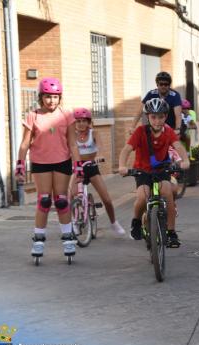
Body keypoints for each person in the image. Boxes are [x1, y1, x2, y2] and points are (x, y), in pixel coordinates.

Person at [15, 77, 82, 259]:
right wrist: (20, 166)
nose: (51, 100)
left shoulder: (67, 115)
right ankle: (38, 239)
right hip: (40, 163)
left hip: (62, 161)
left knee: (61, 200)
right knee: (44, 201)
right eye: (48, 97)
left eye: (55, 96)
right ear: (41, 97)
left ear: (60, 97)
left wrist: (78, 166)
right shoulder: (33, 116)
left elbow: (73, 144)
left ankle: (68, 238)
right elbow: (24, 144)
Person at [119, 98, 190, 247]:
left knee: (167, 194)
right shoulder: (140, 132)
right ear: (148, 117)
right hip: (142, 171)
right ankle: (136, 222)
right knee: (142, 197)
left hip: (162, 170)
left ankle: (171, 233)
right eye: (153, 117)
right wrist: (122, 166)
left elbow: (178, 146)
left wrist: (185, 160)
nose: (157, 121)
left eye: (161, 117)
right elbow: (126, 150)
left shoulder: (168, 131)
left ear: (165, 116)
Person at [70, 107, 126, 236]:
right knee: (70, 196)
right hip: (77, 168)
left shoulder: (93, 133)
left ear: (89, 122)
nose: (81, 124)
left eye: (84, 121)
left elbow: (100, 147)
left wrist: (99, 156)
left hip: (91, 168)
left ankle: (114, 223)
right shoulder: (72, 135)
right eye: (78, 121)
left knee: (106, 199)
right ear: (75, 123)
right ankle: (74, 221)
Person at [132, 71, 183, 136]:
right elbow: (139, 111)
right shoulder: (151, 94)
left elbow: (178, 115)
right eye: (161, 84)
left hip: (170, 127)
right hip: (154, 127)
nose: (163, 86)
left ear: (169, 85)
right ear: (157, 84)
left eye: (166, 84)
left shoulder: (175, 95)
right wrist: (132, 127)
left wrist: (177, 129)